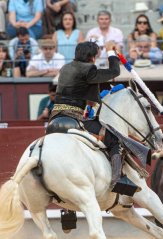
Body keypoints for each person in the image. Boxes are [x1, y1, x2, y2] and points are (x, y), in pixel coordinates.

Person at [50, 41, 140, 196]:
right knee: (114, 140)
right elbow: (114, 72)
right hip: (74, 119)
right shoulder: (89, 69)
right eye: (96, 55)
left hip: (54, 120)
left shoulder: (65, 68)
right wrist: (111, 52)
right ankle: (118, 180)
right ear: (92, 57)